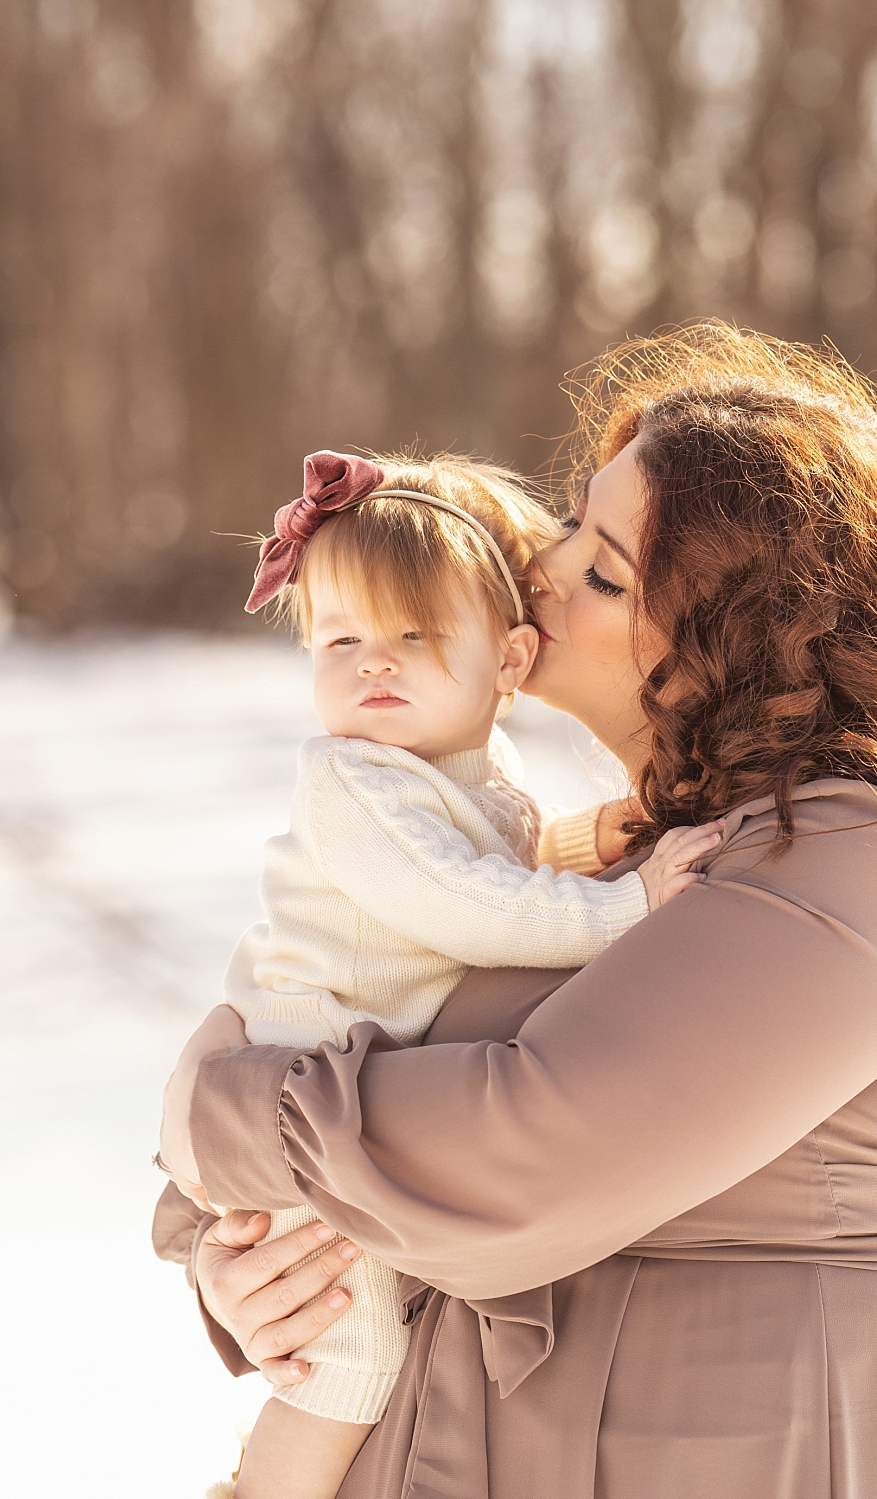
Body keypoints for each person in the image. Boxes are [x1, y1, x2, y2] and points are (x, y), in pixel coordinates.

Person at [158, 320, 877, 1498]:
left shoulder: (830, 867)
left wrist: (216, 1114)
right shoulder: (620, 852)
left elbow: (509, 1164)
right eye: (569, 524)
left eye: (602, 570)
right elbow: (354, 1036)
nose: (536, 572)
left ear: (733, 648)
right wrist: (236, 1258)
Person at [160, 451, 716, 1499]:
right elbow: (464, 903)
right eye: (340, 641)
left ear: (505, 661)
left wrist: (584, 837)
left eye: (413, 638)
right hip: (304, 1070)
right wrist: (629, 904)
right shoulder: (354, 780)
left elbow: (488, 856)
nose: (374, 664)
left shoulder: (461, 778)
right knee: (344, 1359)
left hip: (342, 1082)